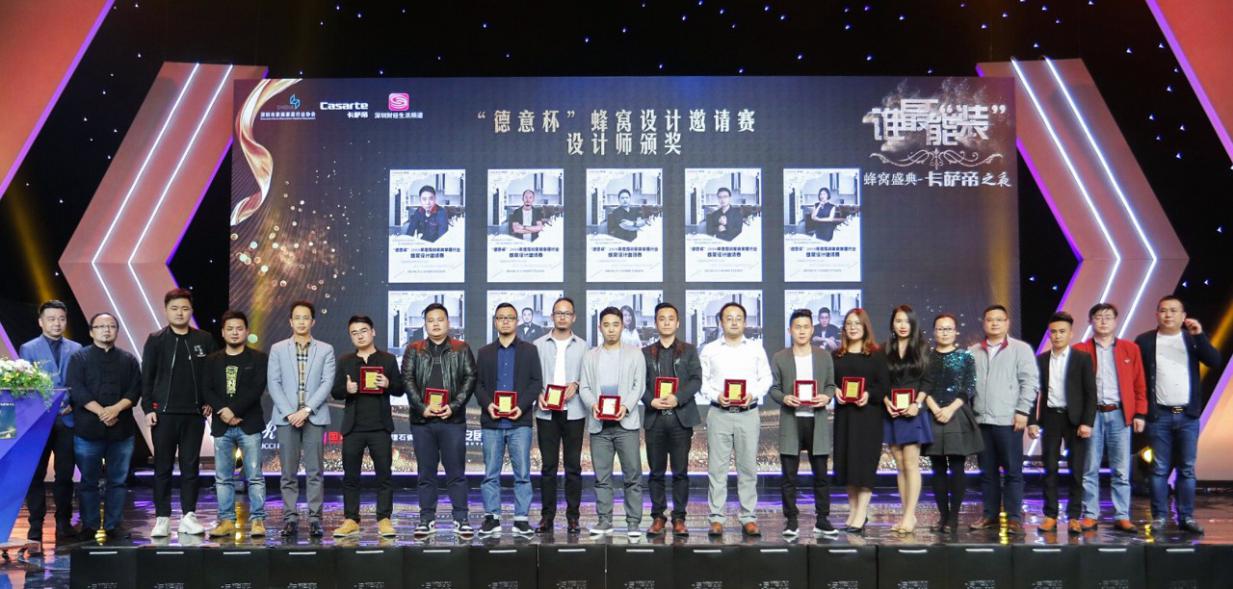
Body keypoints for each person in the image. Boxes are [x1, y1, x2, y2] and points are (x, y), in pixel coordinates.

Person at [1135, 295, 1221, 534]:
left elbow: (1214, 361)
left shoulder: (1191, 339)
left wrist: (1199, 335)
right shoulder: (1144, 341)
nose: (1168, 315)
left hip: (1188, 415)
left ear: (1183, 316)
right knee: (1159, 468)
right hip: (1159, 415)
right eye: (1163, 310)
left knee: (1187, 468)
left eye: (1174, 311)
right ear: (1156, 314)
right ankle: (1160, 517)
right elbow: (1137, 378)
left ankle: (1186, 517)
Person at [141, 288, 217, 538]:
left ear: (191, 311)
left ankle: (189, 516)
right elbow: (147, 377)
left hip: (193, 415)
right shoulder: (156, 340)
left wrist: (208, 401)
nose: (180, 313)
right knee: (162, 467)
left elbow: (212, 374)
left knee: (190, 467)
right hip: (163, 414)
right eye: (174, 308)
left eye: (184, 308)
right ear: (166, 311)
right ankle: (162, 518)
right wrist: (147, 408)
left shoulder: (204, 339)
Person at [402, 303, 477, 538]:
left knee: (456, 472)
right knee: (426, 473)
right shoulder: (414, 349)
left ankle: (461, 518)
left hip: (452, 421)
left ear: (448, 323)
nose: (435, 324)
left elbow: (470, 378)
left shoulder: (461, 348)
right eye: (430, 320)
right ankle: (426, 519)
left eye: (440, 319)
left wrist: (453, 407)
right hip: (422, 421)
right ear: (425, 324)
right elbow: (407, 380)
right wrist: (422, 408)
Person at [699, 301, 771, 537]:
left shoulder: (756, 349)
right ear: (721, 322)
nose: (734, 322)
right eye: (728, 318)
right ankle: (716, 518)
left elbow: (766, 379)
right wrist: (716, 396)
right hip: (719, 413)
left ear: (745, 322)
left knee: (747, 468)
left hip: (748, 413)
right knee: (716, 469)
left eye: (738, 318)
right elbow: (702, 382)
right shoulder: (710, 350)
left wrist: (754, 394)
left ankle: (748, 517)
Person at [1073, 303, 1147, 533]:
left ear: (1116, 321)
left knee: (1121, 469)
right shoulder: (1080, 350)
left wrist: (1140, 412)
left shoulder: (1130, 349)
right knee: (1089, 468)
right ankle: (1090, 514)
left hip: (1120, 414)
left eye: (1108, 317)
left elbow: (1139, 383)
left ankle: (1122, 515)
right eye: (1098, 317)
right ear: (1090, 322)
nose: (1103, 321)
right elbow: (1073, 386)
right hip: (1091, 415)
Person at [68, 312, 141, 541]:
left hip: (121, 430)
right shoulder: (79, 358)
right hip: (88, 430)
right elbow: (77, 389)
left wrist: (115, 409)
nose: (106, 330)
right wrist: (102, 412)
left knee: (117, 481)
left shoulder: (128, 359)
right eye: (100, 326)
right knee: (88, 481)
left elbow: (135, 390)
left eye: (111, 326)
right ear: (91, 332)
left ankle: (113, 524)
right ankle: (89, 525)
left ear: (117, 331)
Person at [331, 315, 404, 538]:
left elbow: (400, 389)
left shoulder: (388, 360)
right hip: (353, 427)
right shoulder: (345, 360)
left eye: (363, 331)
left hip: (380, 427)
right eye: (354, 333)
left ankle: (384, 518)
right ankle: (351, 519)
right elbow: (335, 392)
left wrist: (388, 384)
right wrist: (347, 390)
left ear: (373, 332)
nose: (360, 336)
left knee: (384, 476)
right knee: (351, 476)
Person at [968, 305, 1038, 536]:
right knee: (987, 473)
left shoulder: (1020, 349)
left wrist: (1023, 411)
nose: (994, 323)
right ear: (984, 323)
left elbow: (1029, 382)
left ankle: (1014, 518)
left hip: (1009, 421)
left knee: (1012, 472)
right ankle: (990, 515)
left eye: (999, 319)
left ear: (1007, 323)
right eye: (990, 319)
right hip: (982, 421)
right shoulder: (973, 351)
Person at [268, 300, 336, 538]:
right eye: (297, 317)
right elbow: (274, 383)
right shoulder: (278, 349)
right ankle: (290, 518)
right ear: (290, 321)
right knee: (288, 472)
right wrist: (290, 413)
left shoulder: (325, 349)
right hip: (286, 418)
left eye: (306, 317)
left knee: (315, 471)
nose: (301, 321)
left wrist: (306, 410)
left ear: (313, 321)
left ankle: (315, 519)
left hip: (314, 416)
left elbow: (327, 383)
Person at [475, 303, 543, 538]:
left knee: (522, 474)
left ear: (517, 322)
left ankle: (521, 520)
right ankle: (492, 518)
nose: (505, 321)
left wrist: (520, 407)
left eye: (510, 318)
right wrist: (489, 405)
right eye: (501, 318)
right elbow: (478, 385)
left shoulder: (529, 350)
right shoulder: (484, 352)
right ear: (495, 322)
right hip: (492, 422)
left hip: (519, 423)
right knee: (490, 474)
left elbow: (536, 383)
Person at [769, 309, 838, 538]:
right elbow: (774, 389)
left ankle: (822, 519)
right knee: (789, 476)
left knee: (821, 475)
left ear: (812, 329)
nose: (802, 331)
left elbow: (830, 385)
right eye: (797, 327)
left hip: (816, 421)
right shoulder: (780, 357)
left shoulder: (823, 356)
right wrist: (784, 398)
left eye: (806, 327)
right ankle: (791, 520)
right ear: (790, 330)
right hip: (792, 420)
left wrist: (827, 397)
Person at [19, 300, 83, 548]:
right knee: (35, 474)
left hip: (67, 418)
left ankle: (63, 522)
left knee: (65, 474)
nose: (57, 323)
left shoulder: (76, 348)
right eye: (51, 319)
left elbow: (79, 382)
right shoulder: (29, 348)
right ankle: (35, 525)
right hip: (39, 420)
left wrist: (72, 404)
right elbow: (26, 385)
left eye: (61, 319)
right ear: (41, 322)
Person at [579, 307, 647, 538]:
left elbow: (639, 386)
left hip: (626, 425)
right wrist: (593, 406)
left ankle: (633, 523)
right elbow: (584, 387)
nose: (611, 329)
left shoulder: (635, 354)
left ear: (622, 326)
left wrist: (625, 406)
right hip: (599, 425)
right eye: (606, 325)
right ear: (600, 327)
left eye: (615, 324)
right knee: (602, 477)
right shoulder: (590, 355)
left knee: (632, 476)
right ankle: (604, 520)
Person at [202, 310, 269, 538]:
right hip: (222, 425)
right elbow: (206, 389)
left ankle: (258, 520)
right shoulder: (212, 360)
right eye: (229, 329)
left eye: (239, 328)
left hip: (249, 424)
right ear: (222, 332)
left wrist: (234, 410)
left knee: (254, 476)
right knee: (223, 477)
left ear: (246, 331)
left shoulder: (259, 358)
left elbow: (257, 388)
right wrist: (223, 411)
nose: (234, 332)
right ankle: (227, 521)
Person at [1029, 312, 1096, 533]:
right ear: (1049, 334)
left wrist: (1087, 422)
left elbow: (1091, 393)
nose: (1057, 336)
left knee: (1077, 469)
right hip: (1051, 417)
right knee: (1050, 468)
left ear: (1071, 333)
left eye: (1062, 331)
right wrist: (1032, 420)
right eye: (1054, 332)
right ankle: (1050, 515)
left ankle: (1074, 516)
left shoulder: (1082, 358)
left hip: (1075, 420)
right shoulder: (1041, 360)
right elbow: (1032, 391)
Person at [641, 302, 702, 537]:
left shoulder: (689, 350)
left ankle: (679, 518)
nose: (666, 322)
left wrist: (678, 397)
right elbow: (638, 384)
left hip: (680, 419)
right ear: (656, 323)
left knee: (680, 472)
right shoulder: (645, 352)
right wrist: (650, 401)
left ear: (677, 323)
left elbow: (696, 380)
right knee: (655, 472)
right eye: (661, 318)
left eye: (670, 318)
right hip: (655, 420)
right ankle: (658, 517)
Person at [531, 297, 588, 535]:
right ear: (552, 316)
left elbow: (589, 377)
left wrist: (577, 383)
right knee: (548, 467)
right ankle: (547, 517)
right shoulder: (538, 345)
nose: (562, 317)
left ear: (573, 317)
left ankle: (573, 517)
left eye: (567, 313)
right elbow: (532, 377)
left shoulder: (583, 346)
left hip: (574, 412)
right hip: (546, 413)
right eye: (558, 313)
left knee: (573, 467)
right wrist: (538, 394)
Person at [922, 313, 982, 534]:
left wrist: (949, 409)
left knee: (957, 466)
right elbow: (922, 386)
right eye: (940, 329)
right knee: (937, 468)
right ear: (934, 332)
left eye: (948, 328)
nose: (944, 332)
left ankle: (954, 519)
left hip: (957, 413)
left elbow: (969, 386)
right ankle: (943, 517)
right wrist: (934, 408)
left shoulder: (966, 357)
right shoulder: (926, 357)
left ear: (956, 331)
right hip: (932, 413)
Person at [831, 308, 890, 535]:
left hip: (868, 417)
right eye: (849, 323)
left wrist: (869, 394)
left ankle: (861, 511)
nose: (853, 327)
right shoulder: (836, 355)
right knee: (847, 464)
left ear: (865, 327)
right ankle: (854, 511)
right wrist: (835, 390)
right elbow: (829, 382)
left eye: (857, 323)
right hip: (845, 417)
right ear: (844, 328)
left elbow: (883, 386)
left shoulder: (877, 355)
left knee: (864, 465)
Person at [883, 305, 934, 535]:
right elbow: (881, 381)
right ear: (892, 324)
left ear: (913, 323)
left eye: (906, 321)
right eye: (898, 321)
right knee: (900, 464)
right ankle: (908, 515)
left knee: (911, 463)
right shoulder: (885, 349)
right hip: (892, 412)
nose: (902, 325)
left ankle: (909, 516)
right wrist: (887, 402)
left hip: (914, 412)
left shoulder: (922, 348)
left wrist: (917, 404)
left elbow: (928, 381)